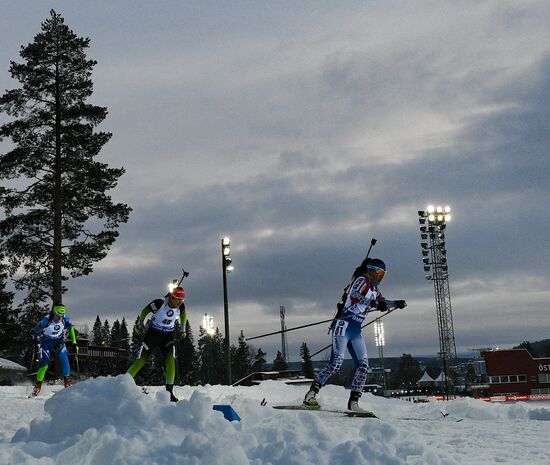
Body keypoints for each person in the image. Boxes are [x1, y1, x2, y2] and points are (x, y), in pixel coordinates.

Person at [303, 258, 407, 413]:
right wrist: (374, 304)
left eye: (384, 274)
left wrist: (395, 303)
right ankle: (311, 394)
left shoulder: (374, 289)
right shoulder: (361, 281)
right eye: (380, 273)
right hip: (343, 325)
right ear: (371, 270)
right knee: (336, 364)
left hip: (356, 329)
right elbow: (356, 296)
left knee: (364, 367)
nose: (381, 277)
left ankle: (353, 403)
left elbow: (381, 301)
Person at [127, 286, 187, 402]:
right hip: (153, 335)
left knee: (170, 362)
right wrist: (139, 326)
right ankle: (122, 385)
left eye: (182, 300)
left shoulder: (181, 306)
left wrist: (183, 330)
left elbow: (184, 316)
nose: (179, 302)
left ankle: (169, 392)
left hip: (168, 336)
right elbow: (144, 311)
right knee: (141, 361)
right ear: (171, 297)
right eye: (177, 299)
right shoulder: (159, 303)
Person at [31, 302, 78, 397]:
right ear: (54, 312)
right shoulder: (46, 320)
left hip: (58, 341)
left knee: (65, 360)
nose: (60, 317)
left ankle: (67, 384)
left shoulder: (65, 319)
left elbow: (71, 328)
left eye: (61, 315)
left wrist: (74, 342)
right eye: (58, 315)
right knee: (44, 365)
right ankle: (37, 387)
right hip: (46, 343)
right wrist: (35, 340)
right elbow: (36, 331)